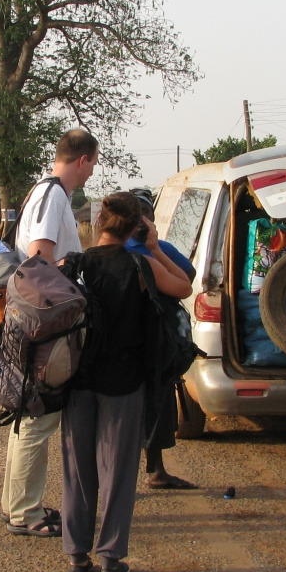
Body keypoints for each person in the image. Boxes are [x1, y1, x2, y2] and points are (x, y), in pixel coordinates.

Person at [61, 192, 193, 572]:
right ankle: (110, 560)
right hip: (123, 381)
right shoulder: (141, 264)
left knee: (78, 470)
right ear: (137, 226)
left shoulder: (76, 264)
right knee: (118, 471)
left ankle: (76, 557)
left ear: (99, 223)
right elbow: (184, 286)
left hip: (78, 381)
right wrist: (154, 246)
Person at [0, 128, 99, 537]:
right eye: (94, 163)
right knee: (39, 418)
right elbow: (42, 256)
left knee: (29, 414)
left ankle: (17, 506)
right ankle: (26, 514)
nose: (93, 171)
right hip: (45, 322)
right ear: (83, 160)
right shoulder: (53, 195)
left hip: (36, 318)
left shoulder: (47, 192)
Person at [124, 188, 199, 490]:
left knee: (155, 404)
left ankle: (155, 471)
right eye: (139, 217)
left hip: (151, 340)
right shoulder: (135, 249)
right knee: (147, 405)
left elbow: (188, 276)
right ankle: (148, 473)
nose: (144, 223)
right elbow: (186, 278)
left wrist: (155, 248)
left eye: (148, 217)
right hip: (144, 340)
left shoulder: (156, 248)